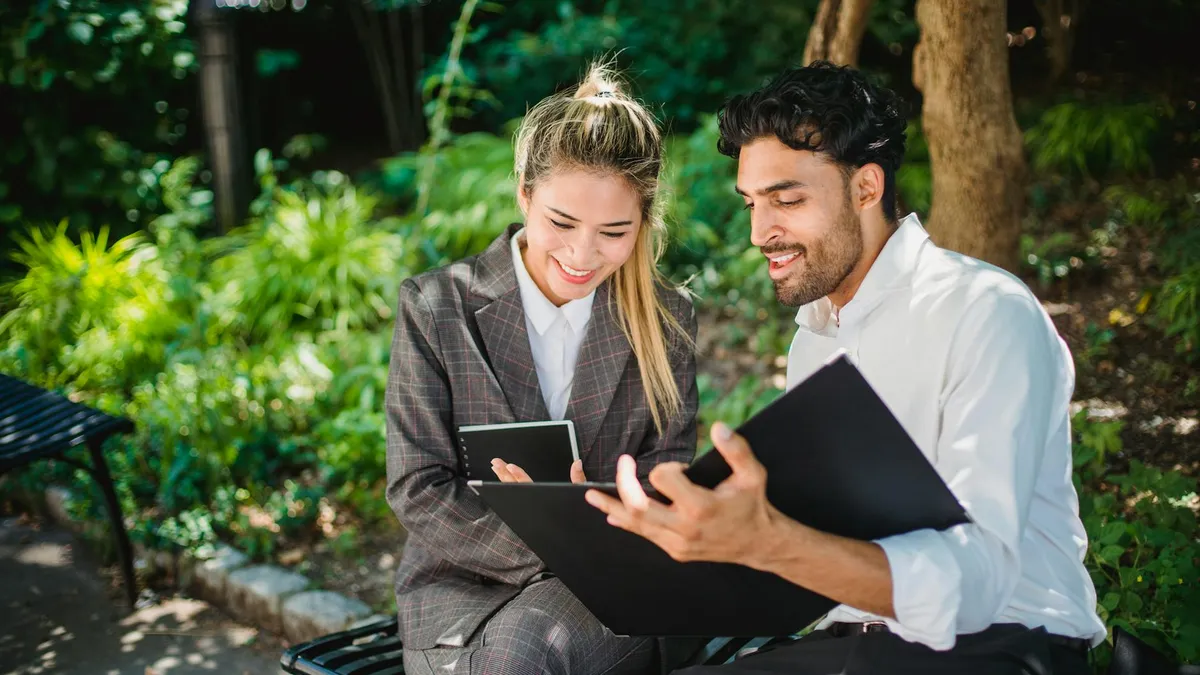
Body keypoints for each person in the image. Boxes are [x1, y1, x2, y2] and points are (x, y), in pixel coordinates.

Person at [585, 61, 1107, 675]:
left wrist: (769, 540)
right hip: (850, 643)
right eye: (752, 203)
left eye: (787, 200)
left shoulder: (985, 313)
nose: (760, 232)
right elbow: (818, 549)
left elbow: (977, 583)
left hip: (1002, 646)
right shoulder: (818, 338)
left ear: (866, 188)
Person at [385, 62, 699, 675]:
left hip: (603, 589)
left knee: (522, 657)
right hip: (458, 594)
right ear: (524, 194)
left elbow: (668, 478)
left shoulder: (667, 321)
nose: (582, 255)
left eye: (614, 231)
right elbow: (417, 485)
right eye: (561, 223)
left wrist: (589, 536)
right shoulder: (437, 306)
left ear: (644, 222)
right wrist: (552, 543)